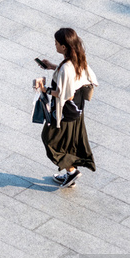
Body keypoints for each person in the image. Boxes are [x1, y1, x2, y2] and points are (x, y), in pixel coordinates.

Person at [34, 28, 98, 188]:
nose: (55, 45)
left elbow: (65, 94)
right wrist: (52, 67)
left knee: (50, 140)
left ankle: (72, 172)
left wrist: (44, 90)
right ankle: (70, 175)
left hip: (66, 114)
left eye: (56, 43)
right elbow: (72, 78)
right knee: (69, 143)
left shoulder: (65, 68)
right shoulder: (79, 59)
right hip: (77, 111)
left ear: (64, 47)